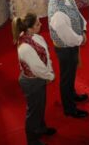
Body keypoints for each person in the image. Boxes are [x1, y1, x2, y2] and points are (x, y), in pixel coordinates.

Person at [45, 0, 89, 118]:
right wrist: (81, 38)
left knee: (71, 74)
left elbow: (76, 12)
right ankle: (69, 108)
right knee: (67, 78)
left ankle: (73, 94)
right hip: (66, 49)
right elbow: (68, 38)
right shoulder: (57, 14)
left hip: (73, 41)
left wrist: (83, 27)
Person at [14, 14, 56, 145]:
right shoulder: (25, 47)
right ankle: (32, 140)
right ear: (29, 29)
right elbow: (37, 68)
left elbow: (46, 54)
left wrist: (49, 70)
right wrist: (50, 76)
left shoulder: (35, 37)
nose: (41, 24)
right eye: (38, 24)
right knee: (33, 111)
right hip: (32, 82)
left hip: (39, 78)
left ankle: (41, 128)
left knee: (40, 106)